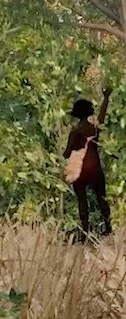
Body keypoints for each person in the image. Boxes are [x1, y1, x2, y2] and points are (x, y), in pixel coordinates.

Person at [64, 88, 113, 240]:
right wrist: (106, 98)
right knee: (101, 198)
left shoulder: (75, 131)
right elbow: (102, 116)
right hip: (95, 167)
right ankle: (108, 227)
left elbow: (67, 152)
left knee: (82, 200)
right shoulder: (94, 128)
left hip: (80, 170)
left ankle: (85, 232)